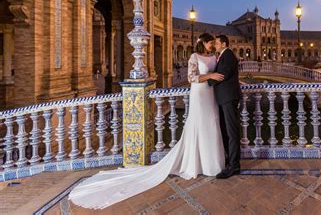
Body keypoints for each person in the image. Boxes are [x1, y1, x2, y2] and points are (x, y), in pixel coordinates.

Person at [68, 33, 225, 209]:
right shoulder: (194, 56)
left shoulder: (214, 56)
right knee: (199, 125)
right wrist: (210, 76)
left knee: (211, 124)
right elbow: (191, 78)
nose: (212, 45)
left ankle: (211, 163)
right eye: (210, 43)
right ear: (203, 43)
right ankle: (196, 163)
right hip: (199, 94)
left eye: (213, 43)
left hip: (211, 94)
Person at [208, 34, 242, 179]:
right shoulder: (224, 55)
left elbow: (222, 75)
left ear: (223, 44)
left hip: (229, 98)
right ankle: (230, 160)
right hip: (225, 98)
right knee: (225, 130)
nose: (215, 45)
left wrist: (206, 81)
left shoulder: (228, 55)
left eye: (216, 43)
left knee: (232, 131)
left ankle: (234, 166)